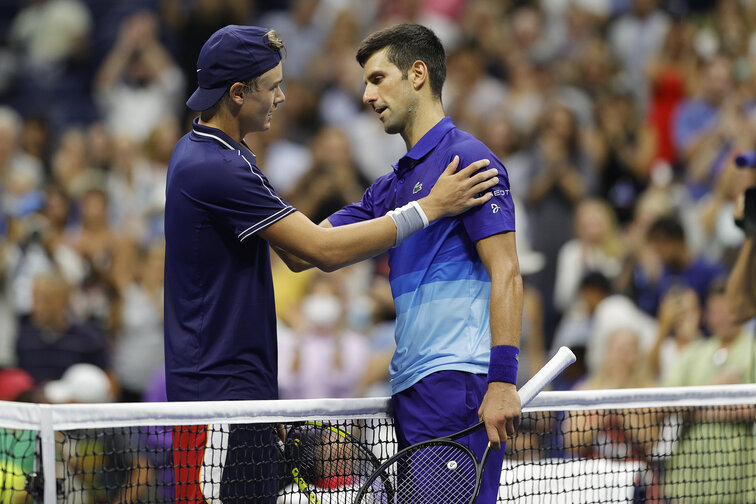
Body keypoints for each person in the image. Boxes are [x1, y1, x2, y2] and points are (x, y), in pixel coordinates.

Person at [164, 25, 499, 504]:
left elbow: (299, 253)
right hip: (217, 396)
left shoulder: (218, 154)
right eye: (272, 86)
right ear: (237, 94)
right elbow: (317, 251)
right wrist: (429, 207)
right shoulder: (214, 165)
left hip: (240, 393)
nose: (282, 97)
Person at [280, 23, 523, 504]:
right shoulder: (390, 189)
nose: (367, 95)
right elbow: (302, 251)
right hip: (412, 391)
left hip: (459, 385)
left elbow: (508, 272)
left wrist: (502, 380)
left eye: (376, 78)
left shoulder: (467, 159)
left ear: (417, 74)